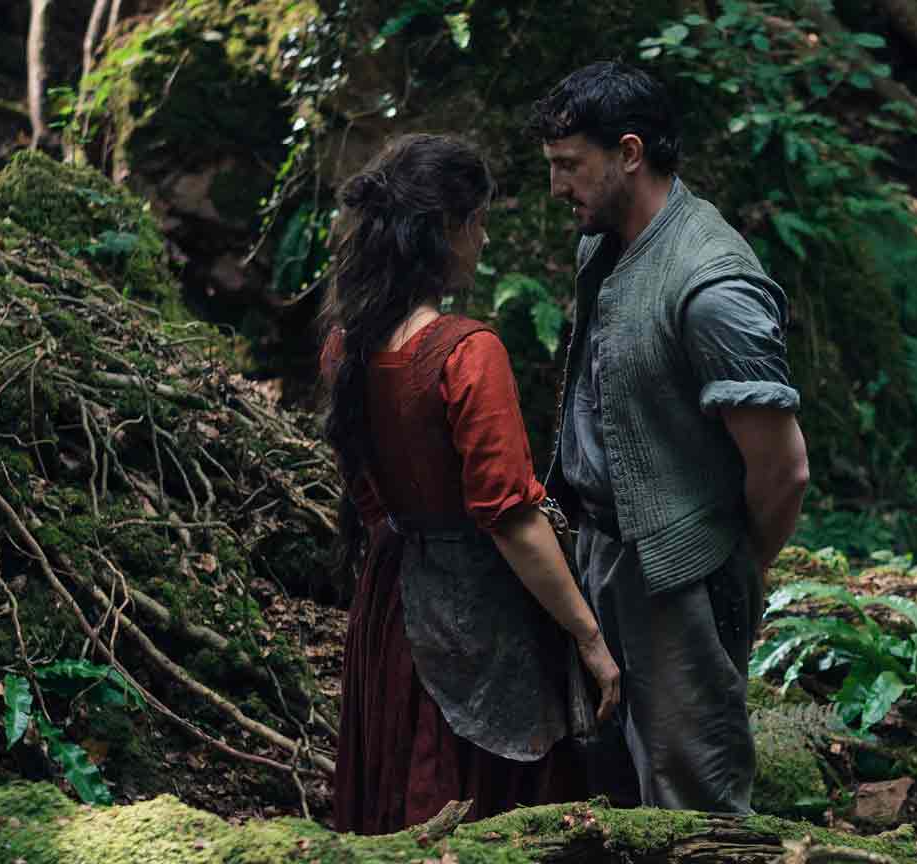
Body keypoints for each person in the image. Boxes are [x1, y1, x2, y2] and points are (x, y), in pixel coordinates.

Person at [528, 61, 810, 813]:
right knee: (610, 785)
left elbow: (784, 470)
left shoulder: (713, 286)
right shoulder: (603, 242)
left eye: (568, 165)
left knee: (694, 799)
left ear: (629, 153)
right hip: (599, 552)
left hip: (680, 577)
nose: (556, 187)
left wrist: (727, 569)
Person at [320, 133, 622, 835]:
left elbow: (368, 493)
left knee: (400, 776)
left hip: (392, 602)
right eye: (478, 222)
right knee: (471, 802)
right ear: (446, 229)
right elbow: (509, 516)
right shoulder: (466, 352)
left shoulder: (346, 344)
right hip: (478, 609)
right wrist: (588, 636)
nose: (482, 240)